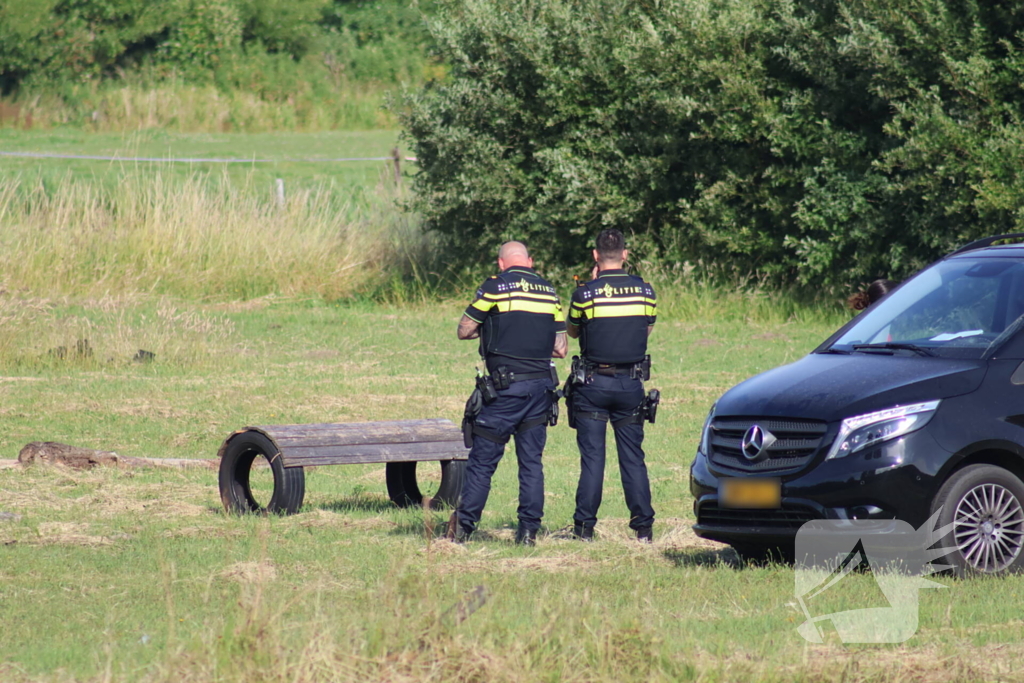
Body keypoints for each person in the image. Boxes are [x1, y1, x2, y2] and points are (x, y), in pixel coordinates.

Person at [447, 241, 567, 546]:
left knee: (483, 462)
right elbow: (561, 348)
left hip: (505, 390)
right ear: (530, 261)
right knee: (531, 464)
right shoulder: (549, 292)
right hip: (540, 389)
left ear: (501, 263)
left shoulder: (495, 286)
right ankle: (527, 533)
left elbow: (464, 330)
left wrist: (492, 328)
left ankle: (463, 529)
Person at [566, 229, 657, 543]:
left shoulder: (585, 294)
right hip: (630, 383)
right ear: (625, 254)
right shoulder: (645, 292)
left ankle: (584, 530)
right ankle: (643, 530)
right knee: (632, 458)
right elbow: (645, 331)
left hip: (592, 384)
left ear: (595, 256)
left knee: (593, 459)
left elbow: (573, 332)